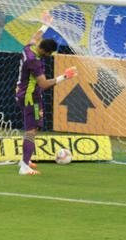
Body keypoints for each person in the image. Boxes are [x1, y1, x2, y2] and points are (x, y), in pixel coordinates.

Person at [15, 13, 77, 175]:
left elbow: (35, 36)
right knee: (32, 130)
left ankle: (25, 160)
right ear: (45, 51)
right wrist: (65, 76)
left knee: (31, 128)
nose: (49, 57)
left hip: (23, 93)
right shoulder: (34, 61)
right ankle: (24, 166)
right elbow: (43, 84)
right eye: (49, 54)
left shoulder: (29, 48)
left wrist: (45, 24)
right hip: (31, 98)